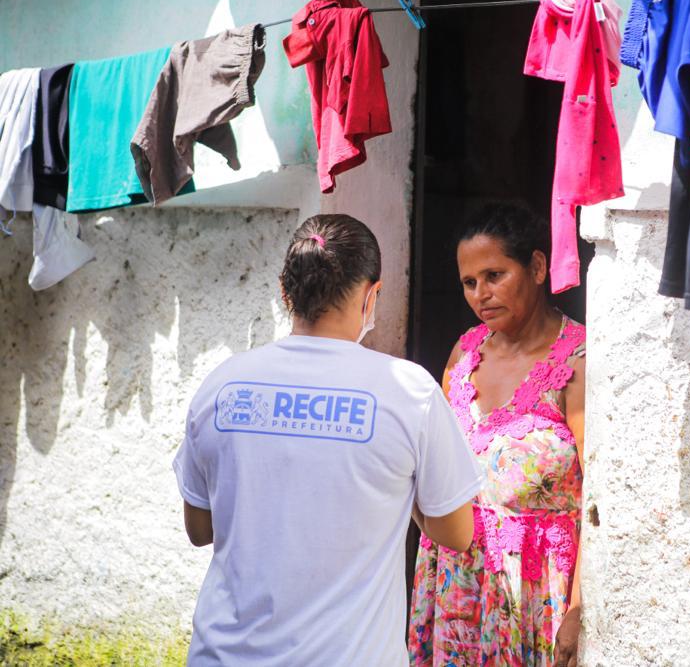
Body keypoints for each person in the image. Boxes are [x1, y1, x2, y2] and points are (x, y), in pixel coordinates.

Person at [173, 214, 482, 666]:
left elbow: (199, 530)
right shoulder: (408, 392)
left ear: (285, 292)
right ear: (371, 295)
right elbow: (456, 532)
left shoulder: (224, 386)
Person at [408, 204, 587, 667]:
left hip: (534, 594)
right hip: (455, 587)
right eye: (469, 282)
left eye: (494, 275)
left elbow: (598, 499)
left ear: (538, 266)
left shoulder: (578, 362)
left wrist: (578, 608)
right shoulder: (464, 354)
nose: (481, 294)